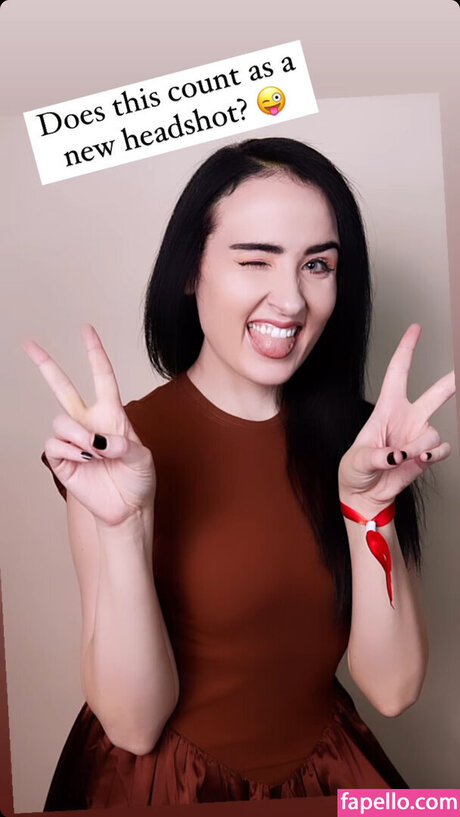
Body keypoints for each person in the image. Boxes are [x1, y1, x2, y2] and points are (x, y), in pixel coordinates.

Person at [24, 137, 455, 808]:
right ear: (190, 271)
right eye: (256, 260)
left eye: (317, 265)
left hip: (326, 773)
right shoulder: (114, 451)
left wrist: (368, 507)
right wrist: (125, 527)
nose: (291, 299)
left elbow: (393, 689)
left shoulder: (366, 446)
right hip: (161, 787)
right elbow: (133, 726)